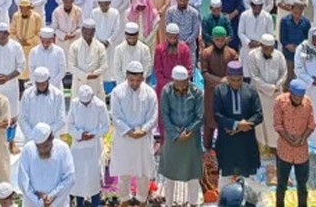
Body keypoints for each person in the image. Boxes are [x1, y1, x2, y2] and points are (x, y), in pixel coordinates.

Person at [110, 60, 159, 205]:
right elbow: (116, 116)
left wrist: (143, 130)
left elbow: (153, 116)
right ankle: (124, 199)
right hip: (124, 139)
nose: (135, 83)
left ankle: (142, 199)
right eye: (131, 80)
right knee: (123, 172)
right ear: (126, 76)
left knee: (143, 172)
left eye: (138, 80)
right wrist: (129, 131)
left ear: (143, 78)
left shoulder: (150, 93)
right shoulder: (117, 92)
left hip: (143, 140)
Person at [158, 65, 204, 207]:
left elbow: (200, 116)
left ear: (188, 80)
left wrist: (188, 131)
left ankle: (193, 203)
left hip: (191, 137)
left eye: (183, 83)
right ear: (173, 81)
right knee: (169, 173)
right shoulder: (166, 91)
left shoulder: (197, 92)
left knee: (193, 174)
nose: (181, 87)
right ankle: (169, 203)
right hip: (173, 138)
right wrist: (176, 134)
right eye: (177, 84)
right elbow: (164, 116)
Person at [213, 60, 262, 187]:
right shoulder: (219, 91)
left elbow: (258, 114)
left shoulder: (250, 90)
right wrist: (235, 124)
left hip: (246, 141)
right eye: (232, 80)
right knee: (226, 176)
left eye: (239, 80)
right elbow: (217, 115)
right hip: (227, 141)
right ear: (227, 77)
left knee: (247, 178)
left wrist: (242, 126)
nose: (236, 83)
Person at [273, 79, 315, 207]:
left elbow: (311, 125)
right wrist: (289, 140)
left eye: (301, 98)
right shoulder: (280, 102)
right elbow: (278, 125)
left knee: (302, 184)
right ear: (290, 93)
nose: (299, 100)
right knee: (281, 184)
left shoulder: (307, 103)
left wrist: (302, 139)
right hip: (284, 150)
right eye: (296, 98)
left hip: (301, 151)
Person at [17, 122, 76, 207]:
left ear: (51, 139)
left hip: (59, 203)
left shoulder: (63, 148)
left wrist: (51, 196)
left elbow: (70, 178)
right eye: (39, 147)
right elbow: (23, 181)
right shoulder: (28, 149)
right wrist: (38, 201)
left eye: (45, 146)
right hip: (32, 203)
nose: (42, 150)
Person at [200, 26, 238, 149]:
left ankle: (225, 150)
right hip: (211, 93)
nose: (220, 43)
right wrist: (219, 81)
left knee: (225, 122)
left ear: (226, 39)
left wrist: (229, 81)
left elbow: (236, 71)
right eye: (217, 40)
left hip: (227, 93)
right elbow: (204, 73)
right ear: (212, 39)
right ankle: (207, 151)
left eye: (222, 40)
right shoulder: (206, 53)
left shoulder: (232, 53)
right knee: (209, 122)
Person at [248, 34, 287, 151]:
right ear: (261, 46)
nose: (269, 51)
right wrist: (268, 88)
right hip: (259, 93)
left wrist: (276, 86)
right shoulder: (252, 55)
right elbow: (254, 76)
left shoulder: (279, 55)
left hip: (276, 94)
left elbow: (284, 73)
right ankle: (261, 146)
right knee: (260, 122)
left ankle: (275, 146)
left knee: (275, 120)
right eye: (266, 48)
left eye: (271, 49)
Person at [19, 66, 66, 141]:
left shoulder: (58, 95)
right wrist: (31, 135)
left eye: (43, 84)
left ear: (48, 81)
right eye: (38, 84)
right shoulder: (27, 94)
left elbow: (61, 119)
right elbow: (22, 118)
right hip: (31, 138)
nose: (41, 87)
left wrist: (46, 134)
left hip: (50, 138)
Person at [70, 18, 108, 101]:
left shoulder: (100, 46)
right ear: (82, 31)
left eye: (90, 33)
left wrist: (95, 74)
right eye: (86, 32)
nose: (88, 35)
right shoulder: (74, 46)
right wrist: (85, 76)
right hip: (79, 82)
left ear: (94, 32)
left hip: (95, 82)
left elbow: (104, 65)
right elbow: (71, 66)